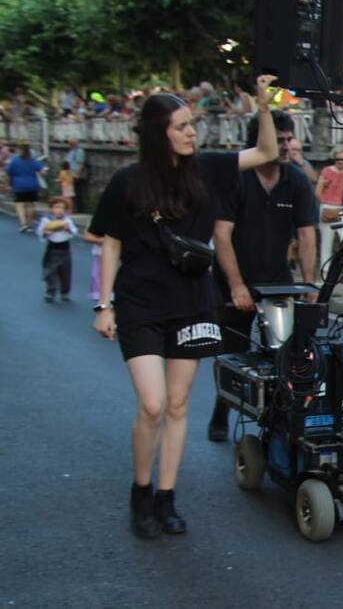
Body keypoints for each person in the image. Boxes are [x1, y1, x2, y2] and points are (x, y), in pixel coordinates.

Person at [89, 76, 279, 539]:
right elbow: (110, 244)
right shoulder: (126, 181)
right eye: (182, 126)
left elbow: (266, 153)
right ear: (160, 133)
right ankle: (140, 489)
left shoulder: (208, 170)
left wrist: (263, 106)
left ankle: (166, 497)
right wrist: (103, 304)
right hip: (139, 304)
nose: (192, 132)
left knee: (176, 405)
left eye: (191, 124)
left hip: (192, 303)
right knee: (152, 404)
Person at [207, 110, 318, 441]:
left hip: (278, 280)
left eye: (288, 139)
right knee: (234, 351)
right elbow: (221, 234)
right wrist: (237, 285)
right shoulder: (235, 178)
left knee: (284, 355)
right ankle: (221, 409)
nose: (284, 146)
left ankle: (277, 421)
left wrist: (308, 283)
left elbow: (307, 235)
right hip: (235, 279)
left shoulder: (296, 181)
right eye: (278, 139)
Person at [315, 148, 343, 282]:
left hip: (342, 208)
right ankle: (325, 271)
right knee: (326, 242)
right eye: (338, 159)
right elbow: (318, 192)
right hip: (327, 207)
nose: (341, 162)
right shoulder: (327, 171)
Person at [37, 196, 78, 302]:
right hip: (52, 249)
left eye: (62, 208)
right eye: (56, 207)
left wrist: (68, 229)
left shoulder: (67, 221)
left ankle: (65, 292)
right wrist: (46, 234)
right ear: (51, 208)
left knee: (65, 272)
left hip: (64, 249)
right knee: (50, 272)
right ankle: (50, 292)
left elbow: (73, 232)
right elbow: (40, 232)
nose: (59, 210)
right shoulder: (46, 220)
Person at [5, 143, 45, 232]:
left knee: (20, 204)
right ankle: (30, 224)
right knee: (30, 205)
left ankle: (23, 224)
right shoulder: (33, 160)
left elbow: (8, 173)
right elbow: (42, 171)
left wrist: (8, 185)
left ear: (20, 150)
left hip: (19, 185)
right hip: (32, 184)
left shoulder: (14, 161)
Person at [64, 139, 88, 210]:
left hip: (75, 174)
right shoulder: (71, 151)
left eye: (71, 143)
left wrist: (77, 173)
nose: (69, 144)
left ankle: (79, 208)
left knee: (77, 192)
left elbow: (81, 164)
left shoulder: (79, 151)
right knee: (71, 192)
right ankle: (72, 207)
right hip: (69, 174)